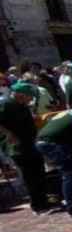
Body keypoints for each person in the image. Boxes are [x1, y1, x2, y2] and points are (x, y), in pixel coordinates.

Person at [0, 82, 53, 213]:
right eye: (29, 96)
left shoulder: (22, 105)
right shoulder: (6, 104)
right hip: (17, 147)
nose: (31, 99)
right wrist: (9, 133)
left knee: (39, 171)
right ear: (20, 95)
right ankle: (38, 205)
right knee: (30, 176)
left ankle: (44, 200)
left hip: (30, 142)